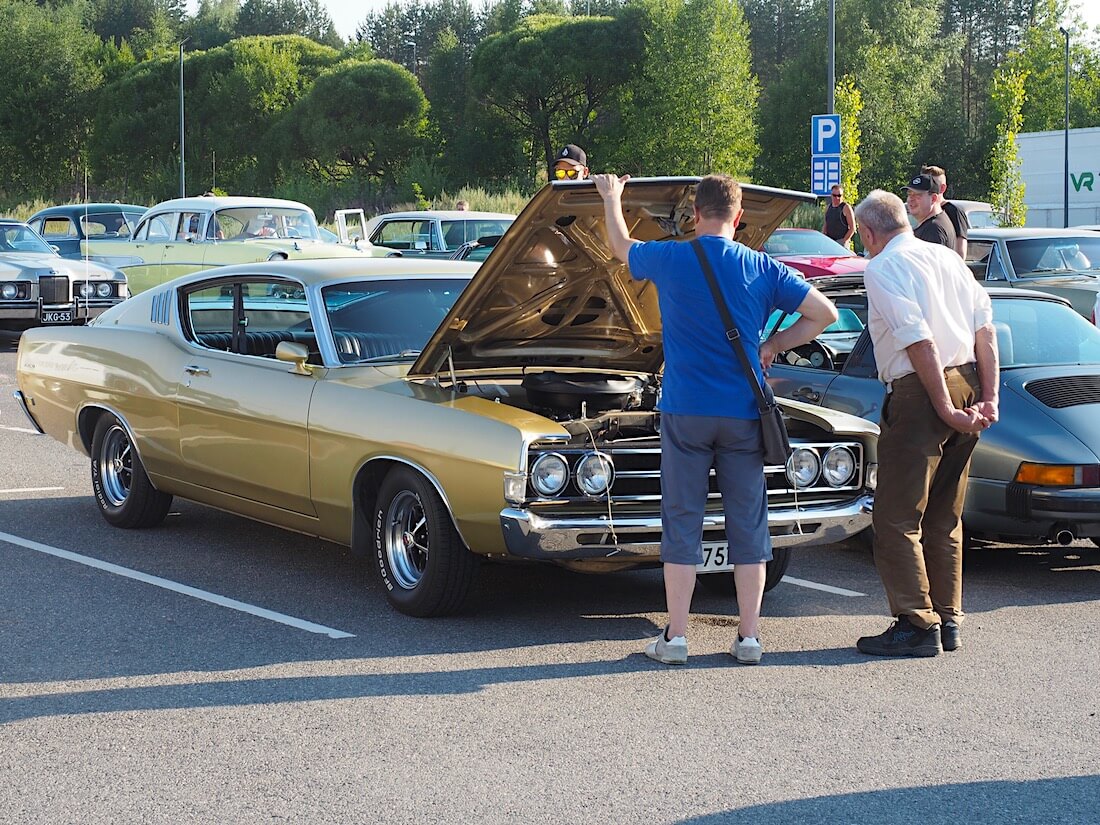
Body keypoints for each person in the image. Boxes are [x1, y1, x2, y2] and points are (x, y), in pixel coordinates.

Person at [592, 172, 838, 666]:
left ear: (694, 214)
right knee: (748, 522)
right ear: (739, 217)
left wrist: (612, 198)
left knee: (682, 521)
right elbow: (825, 313)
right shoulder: (761, 266)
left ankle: (676, 638)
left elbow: (620, 245)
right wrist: (773, 344)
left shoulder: (673, 257)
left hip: (685, 410)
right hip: (744, 413)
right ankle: (748, 638)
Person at [852, 189, 999, 658]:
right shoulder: (946, 258)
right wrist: (988, 397)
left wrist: (943, 407)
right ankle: (949, 617)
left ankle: (916, 624)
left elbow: (919, 342)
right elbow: (986, 330)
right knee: (944, 513)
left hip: (922, 392)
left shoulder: (881, 267)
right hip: (971, 380)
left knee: (896, 516)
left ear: (868, 233)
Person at [922, 165, 969, 259]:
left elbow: (960, 253)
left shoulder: (954, 211)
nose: (927, 189)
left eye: (932, 185)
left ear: (942, 188)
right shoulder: (918, 211)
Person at [904, 172, 956, 250]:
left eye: (917, 195)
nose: (911, 199)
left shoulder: (934, 229)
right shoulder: (933, 224)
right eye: (909, 194)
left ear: (933, 198)